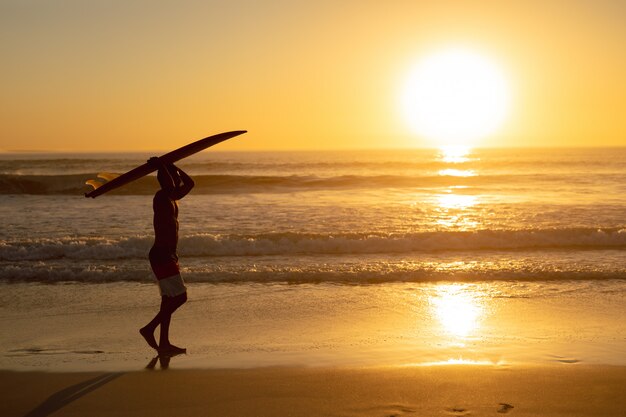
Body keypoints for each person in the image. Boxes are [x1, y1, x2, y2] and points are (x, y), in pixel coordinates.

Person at [140, 157, 194, 355]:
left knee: (168, 299)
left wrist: (173, 166)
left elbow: (190, 183)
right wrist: (162, 166)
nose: (173, 182)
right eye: (169, 180)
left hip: (168, 255)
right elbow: (171, 183)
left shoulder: (173, 198)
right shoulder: (161, 197)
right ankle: (149, 329)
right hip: (162, 255)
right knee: (180, 297)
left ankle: (164, 344)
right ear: (164, 182)